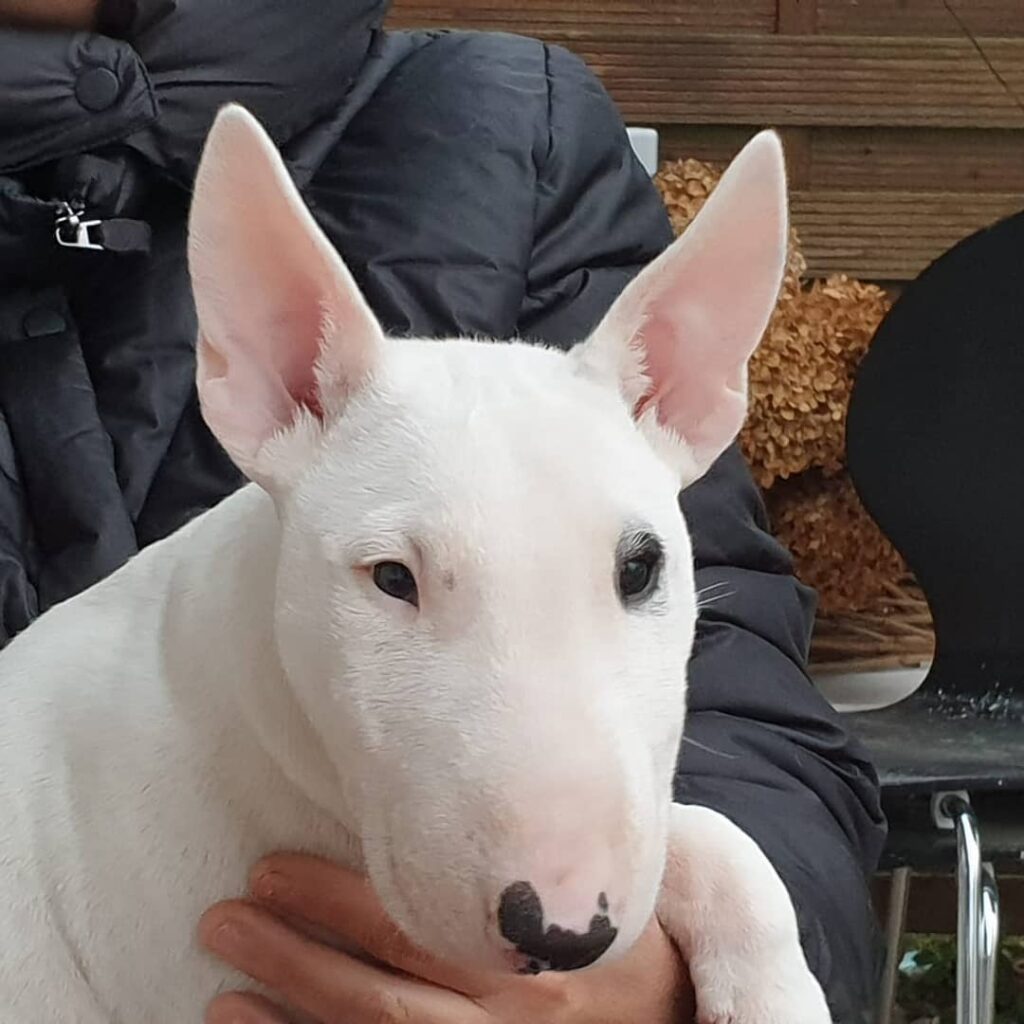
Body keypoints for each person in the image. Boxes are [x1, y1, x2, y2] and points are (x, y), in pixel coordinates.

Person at [0, 1, 886, 1021]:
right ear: (272, 382)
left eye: (638, 572)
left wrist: (682, 963)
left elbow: (759, 731)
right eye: (396, 578)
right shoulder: (126, 720)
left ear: (688, 394)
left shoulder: (515, 137)